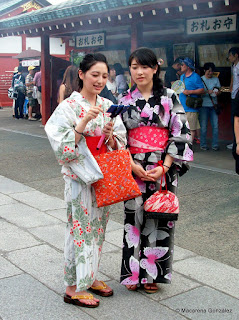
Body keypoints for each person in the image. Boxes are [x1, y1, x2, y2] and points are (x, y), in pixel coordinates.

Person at [45, 53, 126, 308]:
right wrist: (83, 123)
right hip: (80, 178)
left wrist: (111, 137)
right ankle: (71, 288)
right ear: (81, 75)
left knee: (98, 230)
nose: (100, 80)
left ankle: (89, 278)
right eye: (94, 75)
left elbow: (117, 144)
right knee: (78, 229)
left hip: (102, 176)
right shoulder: (69, 106)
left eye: (104, 75)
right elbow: (62, 147)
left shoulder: (105, 103)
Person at [119, 47, 193, 293]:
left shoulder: (170, 96)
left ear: (155, 69)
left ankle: (153, 275)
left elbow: (180, 132)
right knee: (134, 219)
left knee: (160, 218)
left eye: (144, 67)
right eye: (134, 67)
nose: (139, 72)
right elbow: (119, 137)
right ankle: (133, 273)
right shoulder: (124, 100)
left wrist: (165, 166)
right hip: (133, 166)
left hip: (164, 167)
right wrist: (132, 164)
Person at [179, 57, 205, 144]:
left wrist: (190, 91)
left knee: (192, 128)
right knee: (183, 128)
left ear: (188, 66)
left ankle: (189, 146)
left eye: (183, 65)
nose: (181, 66)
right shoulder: (182, 76)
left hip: (191, 107)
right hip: (182, 106)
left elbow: (202, 90)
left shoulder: (195, 76)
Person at [200, 63, 221, 151]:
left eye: (212, 71)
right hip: (204, 105)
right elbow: (198, 92)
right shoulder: (201, 79)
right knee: (203, 126)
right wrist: (206, 92)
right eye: (208, 71)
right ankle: (203, 144)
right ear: (204, 70)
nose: (210, 73)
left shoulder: (216, 79)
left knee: (215, 126)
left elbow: (219, 89)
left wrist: (218, 92)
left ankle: (215, 144)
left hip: (214, 105)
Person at [227, 47, 239, 150]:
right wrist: (231, 87)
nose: (229, 58)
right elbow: (233, 77)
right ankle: (235, 141)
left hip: (238, 95)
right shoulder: (233, 66)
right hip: (233, 94)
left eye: (230, 55)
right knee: (233, 119)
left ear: (236, 55)